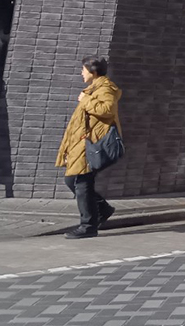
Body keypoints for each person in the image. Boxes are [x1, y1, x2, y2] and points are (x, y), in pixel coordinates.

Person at [55, 56, 122, 239]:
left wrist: (86, 100)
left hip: (91, 142)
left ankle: (88, 226)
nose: (81, 73)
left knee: (81, 181)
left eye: (83, 70)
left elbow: (108, 109)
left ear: (93, 71)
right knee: (72, 180)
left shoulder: (105, 88)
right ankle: (103, 209)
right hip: (83, 142)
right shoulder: (95, 88)